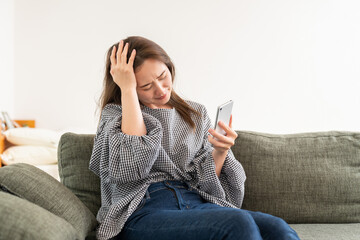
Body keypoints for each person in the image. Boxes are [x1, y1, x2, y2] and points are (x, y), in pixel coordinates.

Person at [89, 36, 300, 240]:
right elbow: (130, 168)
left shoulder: (194, 114)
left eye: (163, 77)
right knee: (238, 224)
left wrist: (220, 150)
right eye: (145, 86)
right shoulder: (116, 116)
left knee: (277, 228)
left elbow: (206, 183)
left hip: (195, 202)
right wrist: (127, 89)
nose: (161, 90)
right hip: (143, 211)